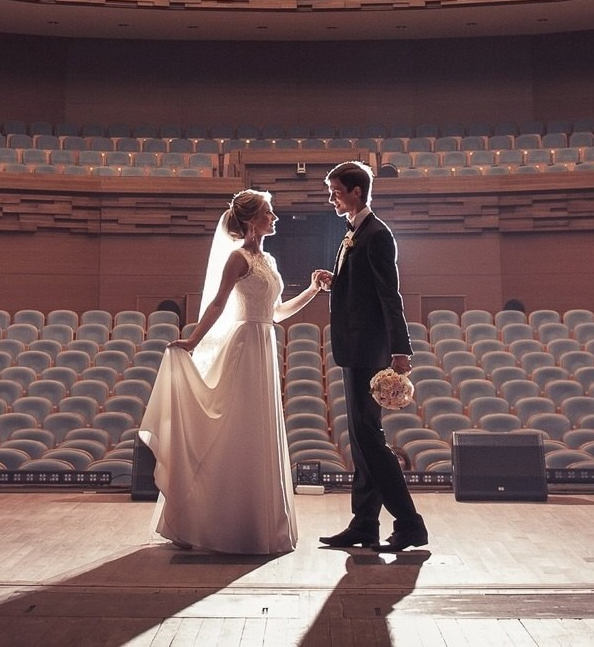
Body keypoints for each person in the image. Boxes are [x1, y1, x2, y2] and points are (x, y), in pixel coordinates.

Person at [139, 189, 330, 554]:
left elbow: (276, 313)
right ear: (251, 219)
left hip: (263, 342)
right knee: (239, 431)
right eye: (269, 212)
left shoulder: (268, 260)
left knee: (258, 432)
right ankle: (217, 524)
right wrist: (193, 341)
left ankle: (254, 526)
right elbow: (217, 303)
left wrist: (312, 289)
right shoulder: (237, 258)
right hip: (244, 346)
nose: (275, 217)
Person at [318, 161, 429, 552]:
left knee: (370, 440)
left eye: (335, 190)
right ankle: (364, 524)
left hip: (370, 350)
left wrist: (400, 351)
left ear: (355, 191)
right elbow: (364, 289)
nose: (331, 197)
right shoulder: (355, 232)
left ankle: (410, 524)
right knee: (363, 439)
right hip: (356, 347)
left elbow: (389, 297)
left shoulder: (377, 234)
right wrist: (338, 282)